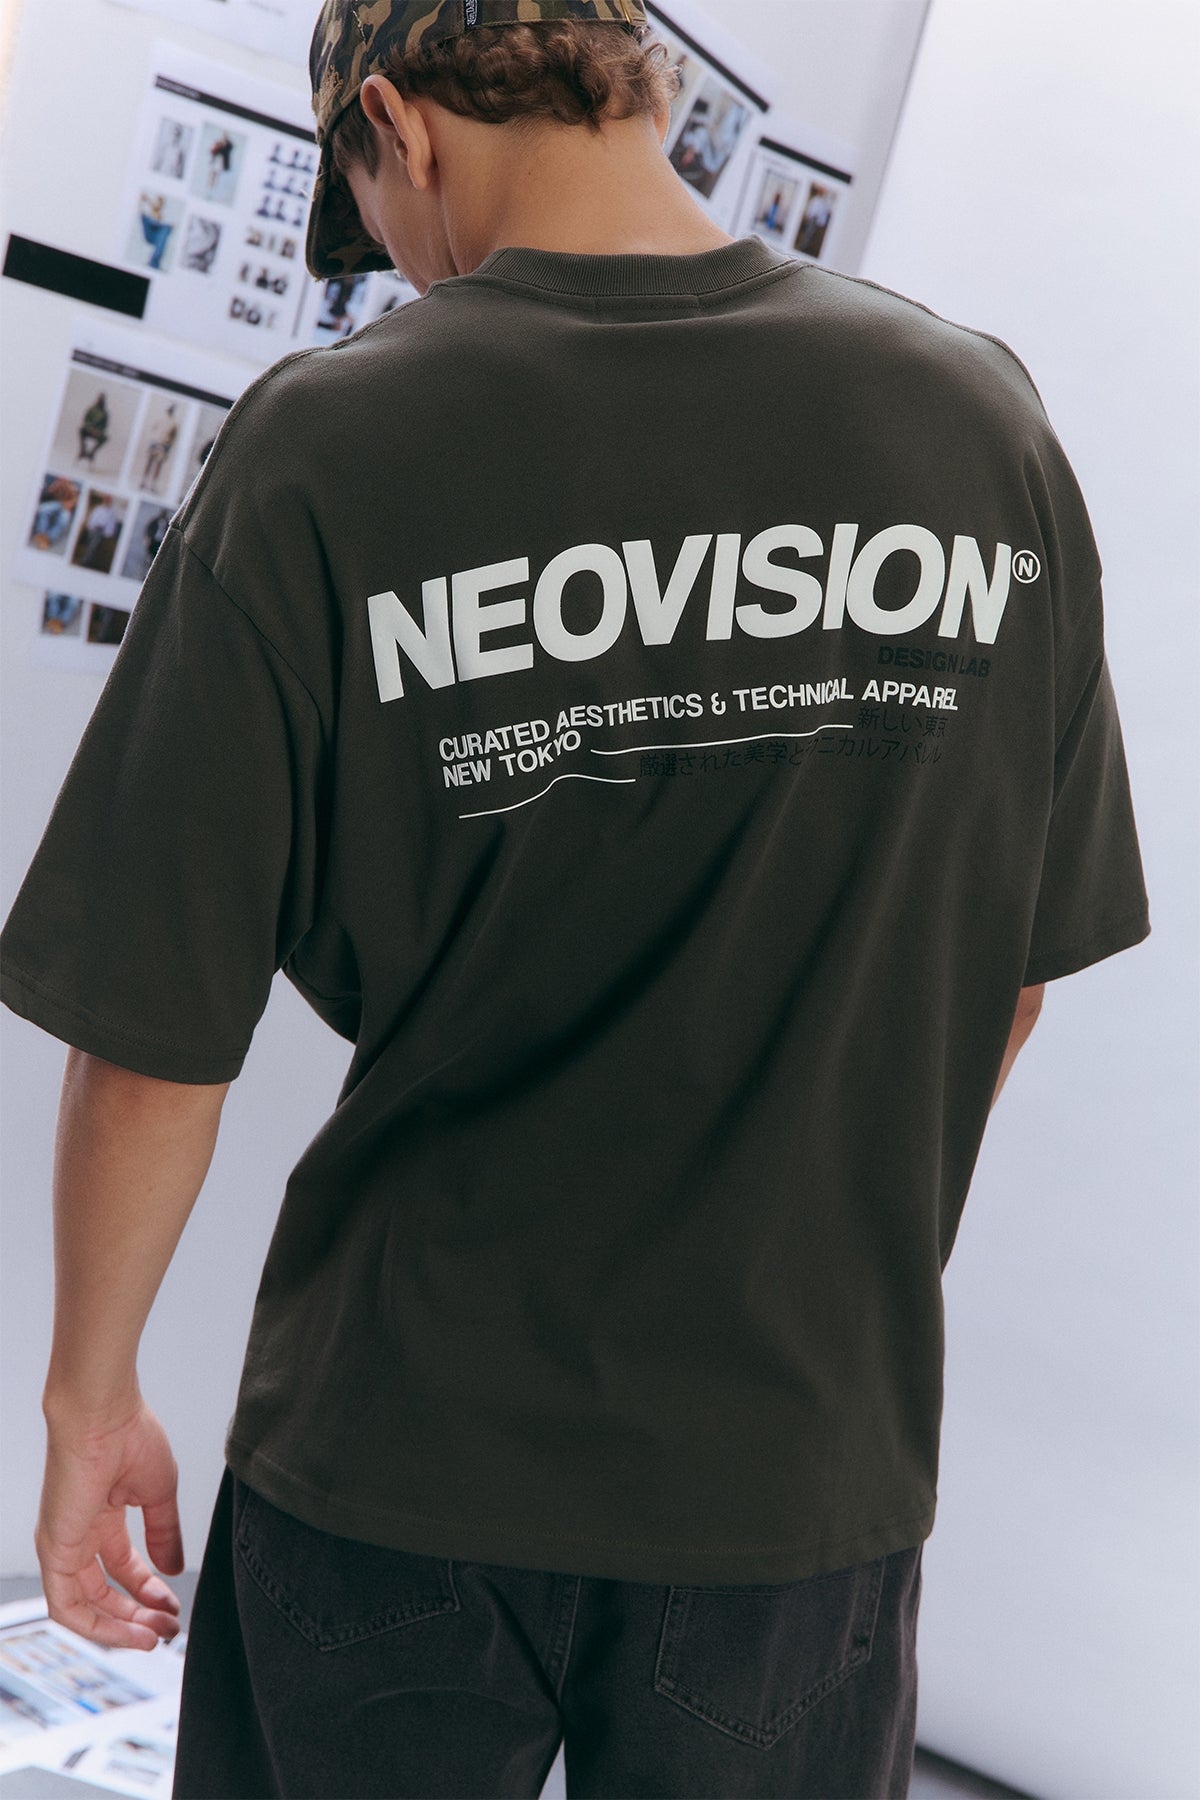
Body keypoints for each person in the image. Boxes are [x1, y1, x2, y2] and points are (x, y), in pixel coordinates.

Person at [0, 2, 1151, 1797]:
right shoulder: (975, 422)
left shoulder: (327, 444)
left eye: (370, 211)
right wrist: (817, 1251)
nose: (395, 262)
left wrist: (89, 1403)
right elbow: (1011, 971)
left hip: (400, 1444)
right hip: (796, 1463)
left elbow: (154, 1041)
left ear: (400, 125)